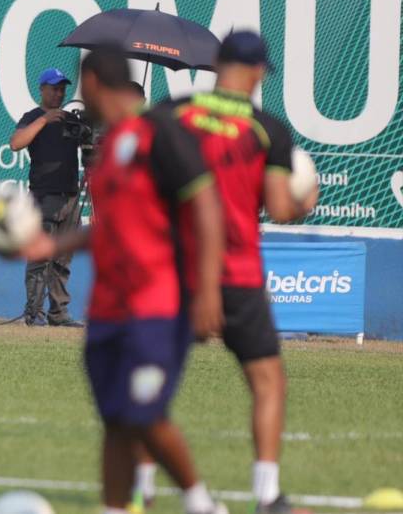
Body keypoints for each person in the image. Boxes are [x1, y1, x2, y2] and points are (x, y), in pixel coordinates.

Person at [20, 49, 229, 514]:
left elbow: (207, 207)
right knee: (115, 420)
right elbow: (112, 228)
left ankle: (202, 505)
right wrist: (49, 247)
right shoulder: (110, 149)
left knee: (144, 413)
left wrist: (209, 290)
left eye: (78, 85)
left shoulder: (160, 134)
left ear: (93, 82)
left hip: (156, 306)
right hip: (109, 310)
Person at [131, 31, 319, 514]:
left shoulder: (172, 114)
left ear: (216, 63)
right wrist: (305, 202)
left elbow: (138, 176)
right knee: (266, 380)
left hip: (172, 268)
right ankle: (267, 496)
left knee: (150, 380)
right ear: (259, 72)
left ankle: (140, 491)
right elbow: (279, 208)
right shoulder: (268, 129)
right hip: (236, 273)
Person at [9, 67, 83, 326]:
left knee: (63, 260)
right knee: (39, 258)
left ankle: (58, 314)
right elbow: (16, 143)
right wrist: (45, 120)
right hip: (43, 197)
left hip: (70, 197)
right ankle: (33, 313)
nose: (58, 93)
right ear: (41, 90)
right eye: (53, 88)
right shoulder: (32, 117)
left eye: (62, 89)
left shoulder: (71, 119)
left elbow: (88, 148)